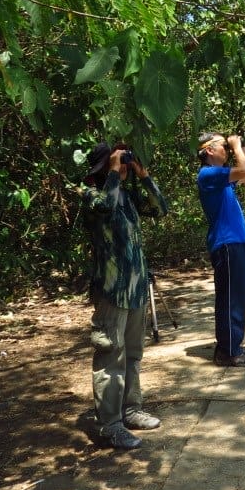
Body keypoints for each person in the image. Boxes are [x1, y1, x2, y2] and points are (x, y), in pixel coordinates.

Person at [82, 141, 169, 450]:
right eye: (115, 162)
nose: (122, 167)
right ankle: (110, 424)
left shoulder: (129, 197)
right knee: (110, 356)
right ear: (103, 168)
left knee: (133, 355)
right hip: (111, 292)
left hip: (135, 290)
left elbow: (161, 207)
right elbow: (104, 205)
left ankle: (130, 409)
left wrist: (143, 176)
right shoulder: (92, 196)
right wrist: (114, 174)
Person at [197, 132, 245, 367]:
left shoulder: (219, 175)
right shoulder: (208, 174)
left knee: (236, 296)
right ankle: (228, 350)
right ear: (209, 150)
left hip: (235, 241)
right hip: (226, 242)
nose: (228, 149)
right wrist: (236, 147)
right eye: (223, 145)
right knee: (230, 298)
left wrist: (242, 148)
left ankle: (233, 343)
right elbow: (242, 171)